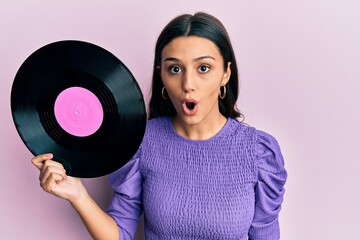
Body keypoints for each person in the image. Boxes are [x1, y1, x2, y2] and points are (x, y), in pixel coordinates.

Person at [32, 12, 287, 240]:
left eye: (204, 68)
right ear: (162, 76)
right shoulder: (142, 142)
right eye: (175, 69)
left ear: (225, 74)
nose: (188, 83)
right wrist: (78, 195)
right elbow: (118, 236)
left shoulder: (258, 152)